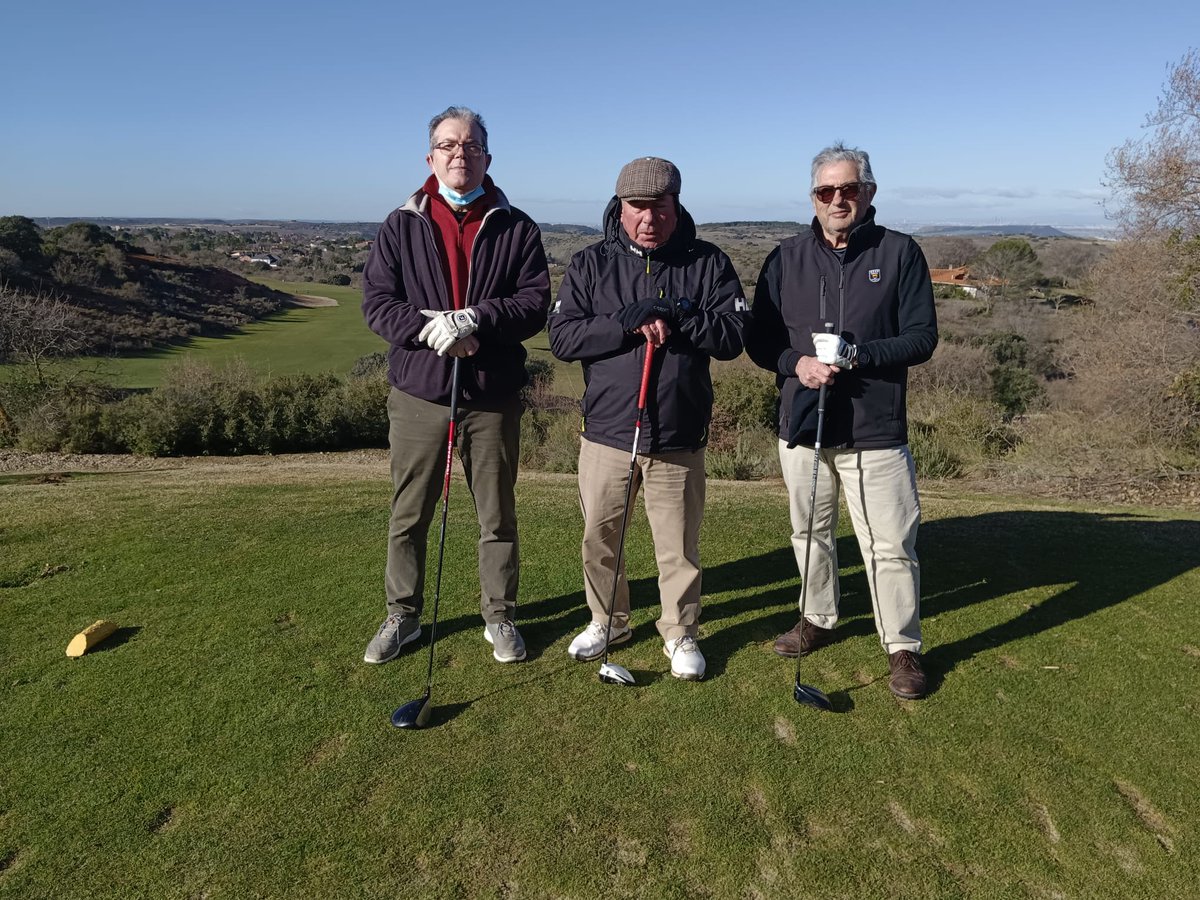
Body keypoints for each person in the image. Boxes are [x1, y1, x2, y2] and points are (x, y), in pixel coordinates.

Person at [746, 142, 938, 699]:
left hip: (873, 428)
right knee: (809, 533)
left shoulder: (900, 253)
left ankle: (902, 647)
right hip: (803, 425)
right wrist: (796, 364)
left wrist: (860, 355)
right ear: (813, 197)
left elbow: (923, 337)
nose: (837, 200)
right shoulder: (784, 257)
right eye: (826, 191)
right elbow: (760, 341)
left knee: (890, 544)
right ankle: (817, 618)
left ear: (868, 193)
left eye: (848, 189)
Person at [360, 106, 550, 665]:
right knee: (409, 512)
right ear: (430, 157)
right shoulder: (402, 222)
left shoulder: (516, 225)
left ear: (487, 157)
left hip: (490, 394)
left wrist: (475, 320)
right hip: (420, 392)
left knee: (496, 514)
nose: (458, 154)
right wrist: (430, 331)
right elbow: (377, 303)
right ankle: (403, 615)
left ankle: (500, 615)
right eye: (448, 145)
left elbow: (533, 303)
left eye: (470, 146)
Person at [549, 156, 748, 681]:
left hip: (678, 432)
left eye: (659, 206)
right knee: (599, 537)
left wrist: (678, 310)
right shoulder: (590, 264)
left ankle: (680, 633)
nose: (648, 218)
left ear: (675, 205)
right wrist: (623, 321)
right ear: (620, 207)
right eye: (637, 207)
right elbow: (564, 339)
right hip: (608, 432)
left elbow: (731, 338)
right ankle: (607, 621)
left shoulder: (708, 263)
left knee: (678, 547)